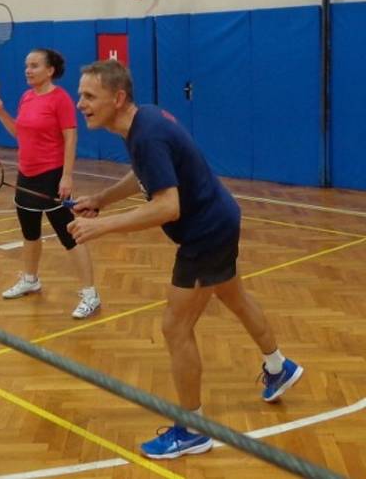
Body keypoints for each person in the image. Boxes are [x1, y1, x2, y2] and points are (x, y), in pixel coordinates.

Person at [69, 59, 303, 459]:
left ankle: (193, 428)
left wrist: (102, 227)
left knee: (175, 327)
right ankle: (279, 366)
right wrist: (100, 201)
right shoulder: (143, 122)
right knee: (235, 297)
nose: (80, 103)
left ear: (118, 97)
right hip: (221, 217)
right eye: (80, 95)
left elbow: (167, 206)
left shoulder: (146, 135)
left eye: (89, 96)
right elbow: (146, 176)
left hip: (204, 234)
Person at [0, 48, 100, 319]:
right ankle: (30, 279)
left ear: (50, 70)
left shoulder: (60, 99)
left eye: (35, 65)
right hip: (26, 173)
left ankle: (90, 294)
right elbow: (20, 134)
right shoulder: (26, 97)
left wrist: (67, 175)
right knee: (30, 233)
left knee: (69, 235)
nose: (28, 70)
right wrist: (1, 113)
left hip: (51, 175)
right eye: (27, 65)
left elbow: (70, 138)